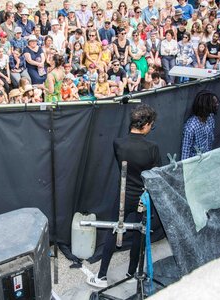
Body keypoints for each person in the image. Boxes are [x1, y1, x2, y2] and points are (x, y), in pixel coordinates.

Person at [87, 103, 161, 288]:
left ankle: (102, 276)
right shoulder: (152, 148)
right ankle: (132, 272)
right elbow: (156, 174)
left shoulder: (118, 143)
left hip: (124, 196)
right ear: (145, 125)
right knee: (139, 232)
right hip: (142, 198)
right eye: (151, 125)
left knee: (114, 230)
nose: (151, 129)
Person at [181, 90, 219, 160]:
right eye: (215, 103)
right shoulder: (191, 127)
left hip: (207, 161)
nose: (217, 105)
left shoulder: (210, 118)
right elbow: (185, 153)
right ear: (206, 105)